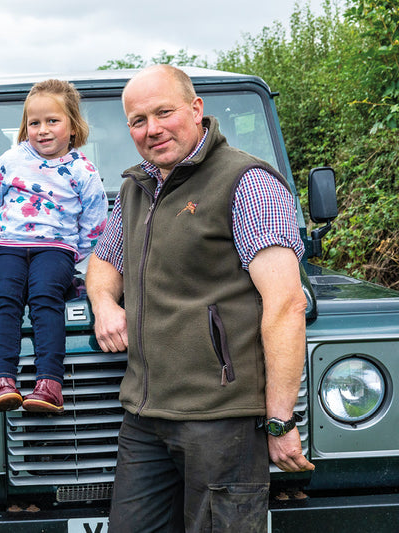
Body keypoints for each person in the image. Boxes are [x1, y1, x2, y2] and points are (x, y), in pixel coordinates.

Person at [85, 65, 315, 532]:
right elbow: (104, 262)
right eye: (138, 120)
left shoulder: (246, 181)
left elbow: (287, 302)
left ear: (196, 110)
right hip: (145, 418)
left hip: (221, 421)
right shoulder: (135, 187)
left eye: (164, 113)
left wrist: (279, 421)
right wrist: (106, 304)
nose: (152, 130)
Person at [0, 79, 107, 413]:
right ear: (25, 128)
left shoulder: (83, 170)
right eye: (34, 123)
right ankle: (2, 380)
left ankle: (49, 384)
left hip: (56, 249)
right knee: (4, 299)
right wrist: (4, 232)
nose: (43, 130)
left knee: (44, 299)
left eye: (53, 121)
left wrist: (75, 253)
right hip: (8, 245)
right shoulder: (10, 159)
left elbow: (95, 218)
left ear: (73, 126)